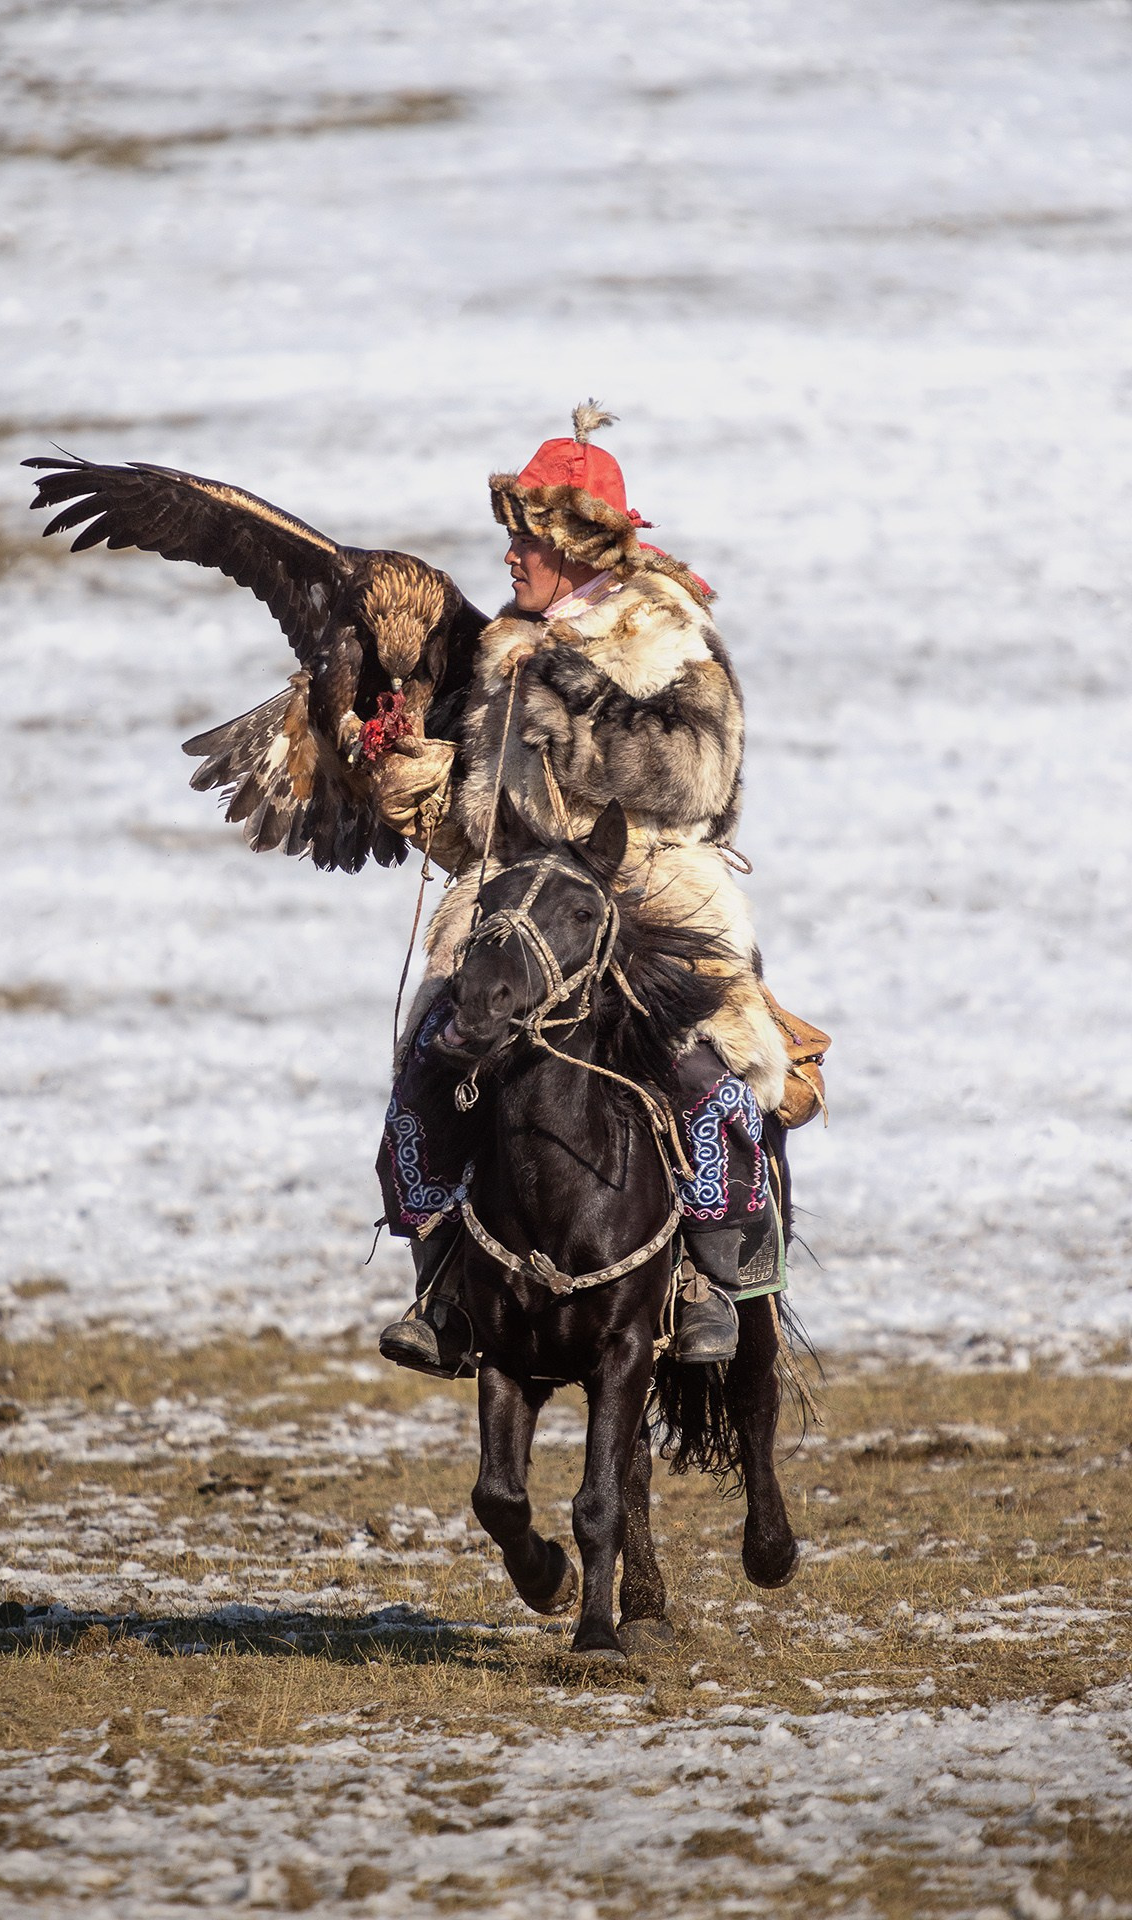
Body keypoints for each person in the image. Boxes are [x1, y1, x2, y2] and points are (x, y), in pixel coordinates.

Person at [372, 404, 794, 1379]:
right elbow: (484, 823)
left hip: (646, 878)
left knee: (697, 1059)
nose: (509, 556)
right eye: (511, 537)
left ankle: (708, 1277)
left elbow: (700, 774)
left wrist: (577, 718)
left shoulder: (666, 636)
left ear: (573, 545)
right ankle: (446, 1282)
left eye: (526, 539)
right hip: (522, 887)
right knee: (434, 1055)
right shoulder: (513, 644)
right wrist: (410, 783)